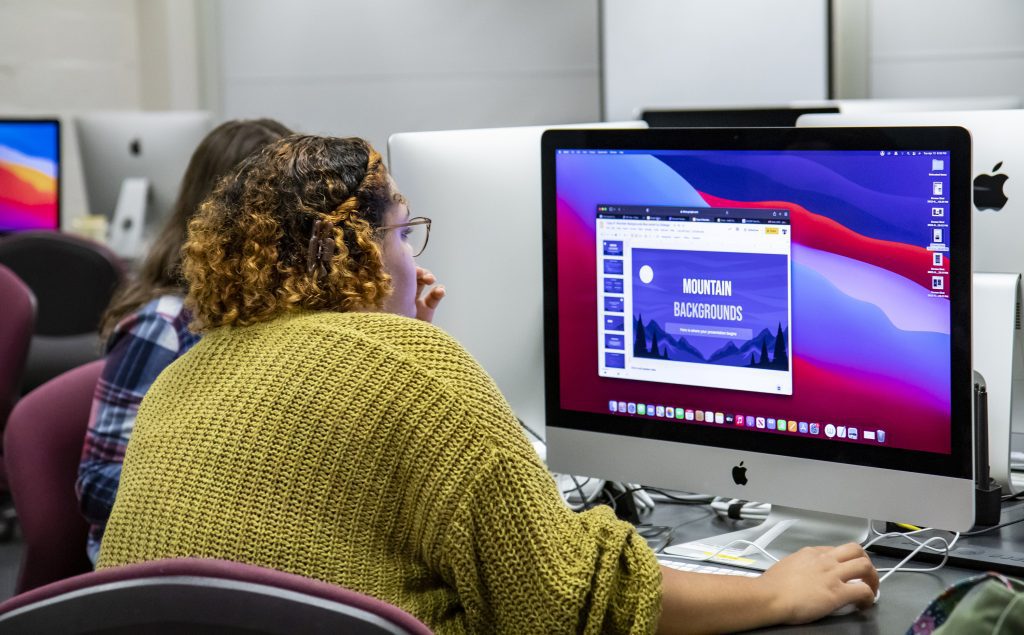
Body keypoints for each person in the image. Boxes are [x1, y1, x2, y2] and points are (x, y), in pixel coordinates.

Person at [97, 135, 878, 634]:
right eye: (404, 233)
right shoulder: (408, 372)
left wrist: (404, 353)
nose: (417, 259)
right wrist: (776, 593)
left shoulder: (185, 372)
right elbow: (572, 600)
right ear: (354, 252)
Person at [76, 118, 293, 564]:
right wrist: (211, 501)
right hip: (151, 557)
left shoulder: (274, 317)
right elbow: (96, 481)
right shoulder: (164, 324)